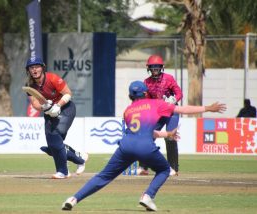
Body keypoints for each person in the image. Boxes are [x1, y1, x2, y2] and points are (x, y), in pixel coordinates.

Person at [61, 80, 226, 212]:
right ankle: (147, 196)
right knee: (164, 170)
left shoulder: (127, 111)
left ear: (130, 96)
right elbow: (182, 109)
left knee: (103, 176)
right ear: (145, 93)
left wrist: (166, 135)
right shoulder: (156, 104)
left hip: (126, 146)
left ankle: (73, 199)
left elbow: (141, 131)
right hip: (145, 146)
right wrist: (208, 108)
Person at [25, 57, 88, 179]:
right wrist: (45, 106)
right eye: (31, 68)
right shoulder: (29, 85)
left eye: (37, 66)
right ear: (28, 70)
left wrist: (58, 106)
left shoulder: (52, 78)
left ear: (42, 67)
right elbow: (35, 104)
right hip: (48, 112)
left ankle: (63, 172)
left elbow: (68, 93)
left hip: (66, 109)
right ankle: (79, 159)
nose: (34, 70)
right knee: (53, 147)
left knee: (55, 137)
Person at [138, 54, 183, 176]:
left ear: (161, 67)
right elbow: (146, 100)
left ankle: (173, 168)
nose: (155, 69)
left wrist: (174, 99)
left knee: (170, 137)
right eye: (153, 67)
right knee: (147, 136)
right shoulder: (146, 82)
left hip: (172, 112)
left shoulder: (169, 78)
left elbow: (179, 93)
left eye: (157, 67)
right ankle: (143, 167)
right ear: (149, 68)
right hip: (157, 113)